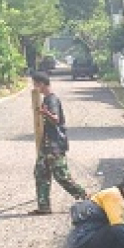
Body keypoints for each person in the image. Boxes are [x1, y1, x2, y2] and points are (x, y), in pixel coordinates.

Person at [31, 71, 86, 214]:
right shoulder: (46, 99)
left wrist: (45, 112)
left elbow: (55, 119)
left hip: (55, 145)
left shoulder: (51, 100)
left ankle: (86, 197)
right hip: (46, 144)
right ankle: (44, 206)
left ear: (41, 84)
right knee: (41, 173)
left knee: (62, 176)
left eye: (35, 84)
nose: (34, 87)